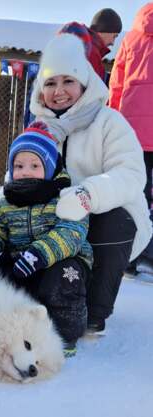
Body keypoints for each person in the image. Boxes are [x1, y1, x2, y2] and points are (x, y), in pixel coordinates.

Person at [29, 34, 152, 335]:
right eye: (50, 82)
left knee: (116, 220)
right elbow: (18, 179)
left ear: (84, 83)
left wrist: (87, 196)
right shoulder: (38, 130)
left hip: (104, 221)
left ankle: (95, 311)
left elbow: (132, 174)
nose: (58, 91)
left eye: (68, 81)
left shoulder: (109, 121)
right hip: (57, 223)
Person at [0, 124, 92, 356]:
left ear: (48, 168)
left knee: (63, 280)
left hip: (60, 265)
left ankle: (65, 337)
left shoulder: (66, 198)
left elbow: (72, 232)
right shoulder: (7, 204)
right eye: (19, 166)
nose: (25, 171)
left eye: (34, 165)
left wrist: (40, 253)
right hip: (21, 266)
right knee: (3, 285)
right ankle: (20, 334)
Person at [108, 3, 153, 282]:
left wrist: (113, 124)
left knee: (135, 194)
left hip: (133, 132)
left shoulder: (131, 37)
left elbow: (116, 83)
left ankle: (131, 257)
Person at [59, 8, 123, 81]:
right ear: (106, 30)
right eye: (114, 36)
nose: (112, 43)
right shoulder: (91, 52)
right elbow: (93, 86)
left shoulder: (84, 48)